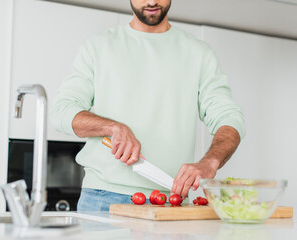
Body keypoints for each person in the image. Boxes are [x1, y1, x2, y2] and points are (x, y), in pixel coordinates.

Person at [50, 0, 245, 211]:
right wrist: (114, 127)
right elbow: (62, 110)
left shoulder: (199, 53)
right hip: (103, 199)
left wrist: (210, 162)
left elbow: (229, 118)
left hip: (171, 201)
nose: (151, 1)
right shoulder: (99, 46)